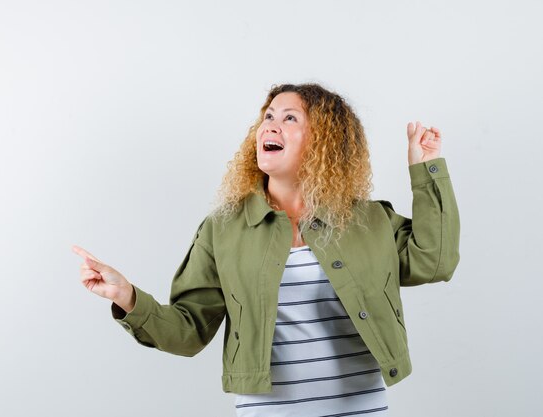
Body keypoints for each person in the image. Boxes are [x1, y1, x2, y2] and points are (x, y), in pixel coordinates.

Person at [72, 83, 460, 416]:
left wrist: (427, 170)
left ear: (325, 140)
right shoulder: (222, 229)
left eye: (290, 118)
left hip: (359, 408)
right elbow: (189, 331)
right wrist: (128, 297)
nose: (270, 125)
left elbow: (435, 261)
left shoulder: (368, 220)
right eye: (268, 116)